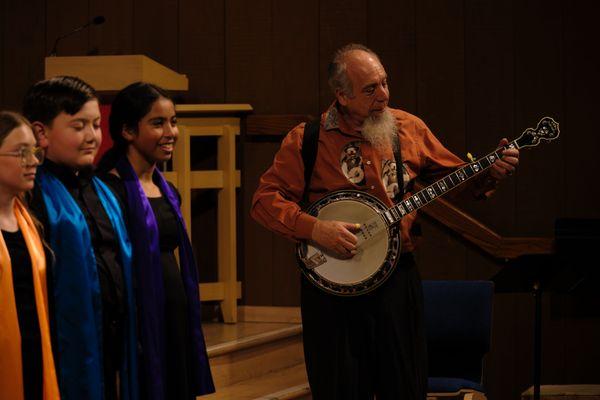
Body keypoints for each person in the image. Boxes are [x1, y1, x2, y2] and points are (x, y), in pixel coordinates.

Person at [251, 43, 519, 400]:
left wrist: (490, 173)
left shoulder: (408, 128)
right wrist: (314, 228)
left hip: (397, 281)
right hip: (332, 292)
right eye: (370, 89)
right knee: (339, 388)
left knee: (405, 385)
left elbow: (459, 180)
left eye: (385, 83)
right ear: (342, 95)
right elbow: (264, 200)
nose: (384, 95)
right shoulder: (308, 140)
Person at [23, 76, 137, 400]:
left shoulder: (104, 189)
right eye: (78, 126)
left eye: (96, 125)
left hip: (112, 337)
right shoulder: (32, 198)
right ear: (40, 133)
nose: (92, 137)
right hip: (64, 343)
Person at [98, 82, 214, 399]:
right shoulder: (109, 191)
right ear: (127, 131)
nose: (171, 132)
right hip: (138, 318)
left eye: (173, 121)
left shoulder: (166, 188)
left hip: (173, 314)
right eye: (157, 123)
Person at [0, 111, 60, 400]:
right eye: (21, 152)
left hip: (33, 359)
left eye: (34, 151)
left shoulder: (28, 221)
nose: (34, 160)